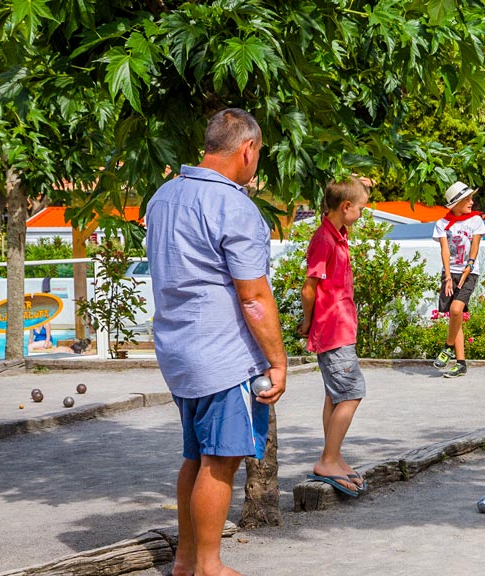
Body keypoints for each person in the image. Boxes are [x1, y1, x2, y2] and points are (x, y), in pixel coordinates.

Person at [146, 108, 287, 576]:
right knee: (221, 460)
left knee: (194, 457)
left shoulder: (163, 197)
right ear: (247, 149)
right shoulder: (235, 206)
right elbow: (254, 297)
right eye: (259, 154)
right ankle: (210, 566)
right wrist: (278, 361)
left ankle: (186, 562)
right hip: (223, 355)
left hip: (179, 351)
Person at [297, 176, 369, 498]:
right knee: (352, 392)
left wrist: (359, 184)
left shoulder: (338, 233)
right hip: (332, 329)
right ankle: (327, 460)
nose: (362, 215)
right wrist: (308, 321)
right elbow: (309, 288)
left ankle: (334, 455)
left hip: (340, 327)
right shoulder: (324, 240)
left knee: (334, 395)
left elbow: (348, 198)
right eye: (360, 209)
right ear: (345, 207)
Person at [431, 181, 485, 378]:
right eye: (467, 199)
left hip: (469, 273)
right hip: (450, 274)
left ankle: (447, 348)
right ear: (456, 203)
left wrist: (468, 267)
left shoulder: (476, 221)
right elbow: (444, 250)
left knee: (456, 310)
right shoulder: (442, 224)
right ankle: (460, 363)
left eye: (471, 198)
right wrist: (447, 276)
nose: (472, 202)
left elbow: (475, 246)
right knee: (455, 318)